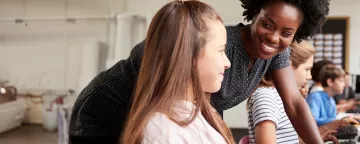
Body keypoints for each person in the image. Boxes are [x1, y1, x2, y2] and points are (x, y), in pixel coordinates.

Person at [69, 0, 330, 143]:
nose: (273, 38)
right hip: (107, 108)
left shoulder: (275, 52)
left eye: (286, 33)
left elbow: (294, 103)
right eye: (267, 24)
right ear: (255, 14)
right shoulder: (218, 42)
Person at [118, 1, 233, 144]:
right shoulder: (162, 132)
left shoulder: (199, 116)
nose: (227, 63)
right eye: (221, 51)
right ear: (190, 55)